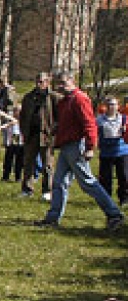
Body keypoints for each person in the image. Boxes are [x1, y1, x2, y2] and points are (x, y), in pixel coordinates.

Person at [36, 72, 125, 231]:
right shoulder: (64, 102)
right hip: (66, 146)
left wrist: (90, 147)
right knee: (59, 183)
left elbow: (89, 123)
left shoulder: (80, 99)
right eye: (58, 83)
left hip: (78, 145)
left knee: (87, 182)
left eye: (63, 83)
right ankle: (52, 217)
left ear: (72, 82)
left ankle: (114, 214)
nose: (60, 86)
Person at [19, 72, 57, 199]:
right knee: (28, 162)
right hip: (31, 134)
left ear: (47, 82)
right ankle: (27, 189)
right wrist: (24, 131)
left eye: (42, 81)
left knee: (47, 164)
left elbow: (59, 116)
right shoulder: (28, 97)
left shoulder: (53, 97)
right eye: (38, 81)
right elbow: (23, 116)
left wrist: (54, 131)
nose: (39, 84)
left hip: (46, 135)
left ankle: (47, 191)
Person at [96, 97, 128, 207]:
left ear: (118, 106)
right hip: (106, 152)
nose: (111, 107)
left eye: (114, 104)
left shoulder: (124, 118)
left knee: (124, 176)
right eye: (109, 104)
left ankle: (124, 198)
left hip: (121, 151)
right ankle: (106, 200)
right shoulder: (99, 120)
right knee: (105, 178)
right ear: (105, 106)